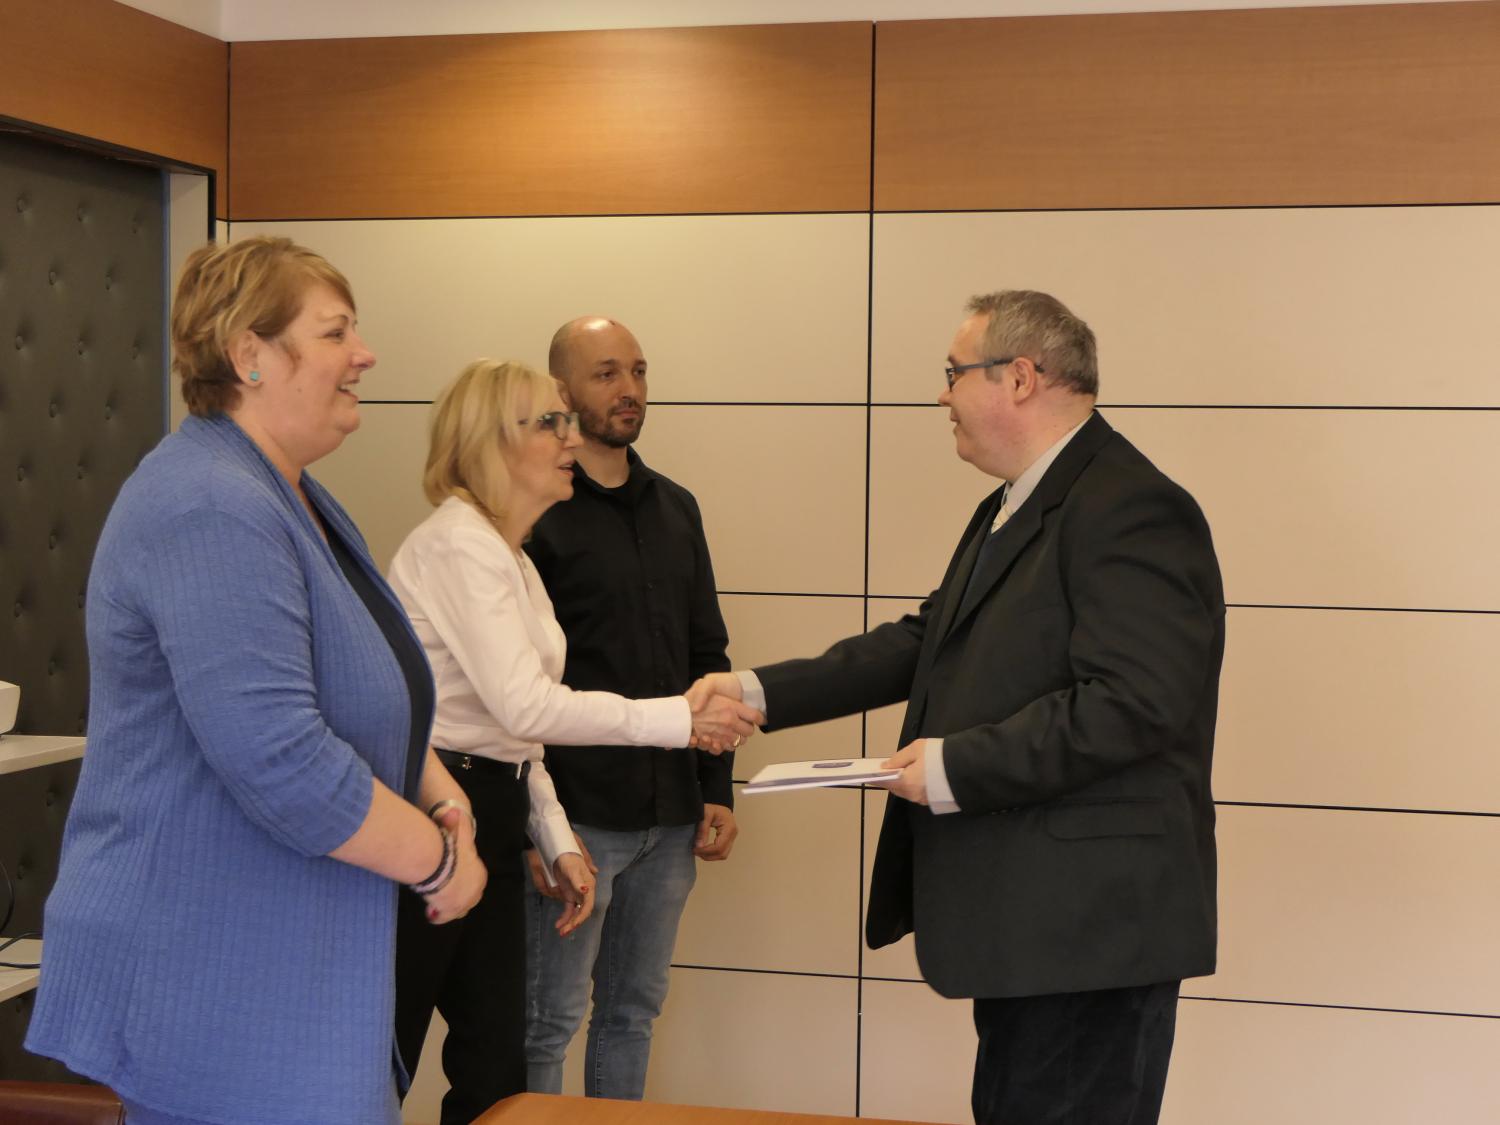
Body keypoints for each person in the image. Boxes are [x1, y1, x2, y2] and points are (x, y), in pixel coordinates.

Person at [692, 291, 1225, 1125]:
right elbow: (927, 638)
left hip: (1092, 929)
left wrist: (951, 766)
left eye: (953, 373)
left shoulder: (1131, 505)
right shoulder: (1019, 501)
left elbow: (1134, 703)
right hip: (1039, 927)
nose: (941, 395)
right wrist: (758, 691)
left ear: (1020, 377)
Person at [24, 236, 486, 1125]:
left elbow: (366, 688)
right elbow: (284, 761)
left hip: (281, 972)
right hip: (212, 982)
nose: (365, 354)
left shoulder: (288, 491)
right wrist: (437, 864)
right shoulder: (210, 502)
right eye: (335, 333)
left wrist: (443, 798)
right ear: (249, 355)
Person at [388, 358, 761, 1125]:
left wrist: (552, 833)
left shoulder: (511, 554)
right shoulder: (459, 545)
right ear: (494, 441)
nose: (570, 438)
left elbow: (512, 731)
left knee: (496, 1065)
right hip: (432, 810)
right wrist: (679, 720)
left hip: (492, 803)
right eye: (549, 422)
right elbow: (525, 704)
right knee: (384, 1051)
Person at [522, 317, 737, 1100]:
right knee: (546, 1021)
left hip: (671, 815)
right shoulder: (536, 513)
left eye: (639, 371)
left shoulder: (677, 507)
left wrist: (717, 787)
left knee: (632, 1014)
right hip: (575, 819)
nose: (630, 389)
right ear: (563, 390)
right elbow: (513, 688)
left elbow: (708, 653)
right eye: (608, 372)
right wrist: (533, 828)